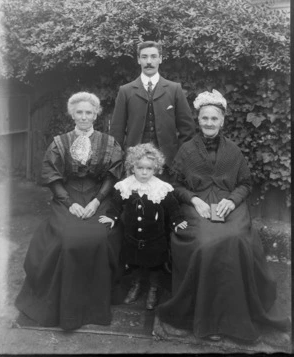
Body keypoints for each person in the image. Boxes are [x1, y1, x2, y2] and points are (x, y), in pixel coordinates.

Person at [154, 90, 290, 343]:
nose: (208, 123)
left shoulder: (234, 151)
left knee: (237, 239)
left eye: (213, 119)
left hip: (229, 204)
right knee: (205, 244)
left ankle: (236, 317)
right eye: (204, 118)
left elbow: (246, 183)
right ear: (198, 119)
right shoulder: (186, 150)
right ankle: (208, 318)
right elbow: (176, 185)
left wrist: (231, 200)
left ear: (222, 121)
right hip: (195, 206)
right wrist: (194, 200)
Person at [15, 92, 124, 331]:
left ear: (96, 114)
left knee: (100, 236)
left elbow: (112, 176)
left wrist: (96, 202)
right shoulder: (59, 143)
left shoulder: (109, 142)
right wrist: (69, 202)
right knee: (67, 238)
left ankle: (96, 304)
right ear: (72, 114)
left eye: (88, 112)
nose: (84, 117)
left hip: (99, 196)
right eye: (79, 112)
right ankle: (62, 306)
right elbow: (52, 177)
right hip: (67, 195)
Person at [99, 143, 187, 310]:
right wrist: (112, 216)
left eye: (149, 169)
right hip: (132, 237)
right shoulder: (126, 186)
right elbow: (116, 204)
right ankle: (136, 285)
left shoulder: (161, 188)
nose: (144, 172)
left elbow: (172, 206)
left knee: (155, 264)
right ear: (133, 168)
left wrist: (177, 220)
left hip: (155, 238)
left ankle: (154, 289)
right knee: (134, 262)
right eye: (140, 168)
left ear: (156, 169)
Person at [110, 40, 195, 169]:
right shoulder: (125, 91)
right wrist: (121, 160)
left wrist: (179, 157)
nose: (149, 61)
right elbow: (117, 131)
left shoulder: (174, 89)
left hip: (168, 164)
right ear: (138, 60)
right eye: (144, 57)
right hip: (134, 164)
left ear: (160, 59)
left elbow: (187, 130)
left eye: (153, 56)